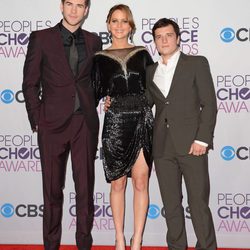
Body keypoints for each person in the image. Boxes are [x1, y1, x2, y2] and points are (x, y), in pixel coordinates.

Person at [22, 0, 102, 249]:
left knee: (85, 191)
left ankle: (84, 244)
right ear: (61, 6)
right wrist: (38, 119)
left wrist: (102, 98)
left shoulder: (94, 41)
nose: (74, 9)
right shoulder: (41, 38)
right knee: (52, 192)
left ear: (87, 10)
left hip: (84, 125)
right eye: (70, 3)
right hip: (51, 125)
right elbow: (30, 83)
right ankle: (51, 245)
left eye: (80, 5)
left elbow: (95, 82)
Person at [146, 18, 217, 249]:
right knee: (172, 206)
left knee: (198, 204)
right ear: (154, 41)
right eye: (159, 36)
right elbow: (144, 104)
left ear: (178, 38)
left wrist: (202, 139)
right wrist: (112, 102)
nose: (164, 40)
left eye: (168, 35)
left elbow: (209, 104)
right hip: (162, 148)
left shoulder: (196, 63)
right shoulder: (150, 72)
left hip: (192, 146)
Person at [92, 4, 154, 250]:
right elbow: (93, 92)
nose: (119, 26)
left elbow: (155, 90)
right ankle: (119, 238)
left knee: (141, 182)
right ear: (108, 24)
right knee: (118, 184)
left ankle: (137, 239)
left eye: (124, 21)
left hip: (142, 120)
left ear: (131, 26)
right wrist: (105, 100)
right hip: (115, 123)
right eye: (115, 21)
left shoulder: (142, 53)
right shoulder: (98, 58)